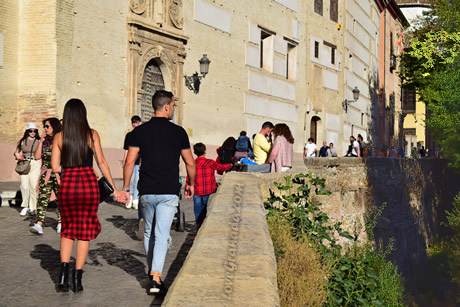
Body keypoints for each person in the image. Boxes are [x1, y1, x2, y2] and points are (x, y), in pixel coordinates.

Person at [122, 90, 196, 294]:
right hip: (168, 190)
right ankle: (155, 278)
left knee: (148, 231)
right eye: (173, 105)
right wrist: (191, 183)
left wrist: (126, 188)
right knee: (162, 233)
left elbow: (129, 161)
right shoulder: (178, 132)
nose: (173, 109)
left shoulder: (139, 132)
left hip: (146, 190)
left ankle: (152, 272)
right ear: (166, 106)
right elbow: (190, 162)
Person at [51, 99, 123, 292]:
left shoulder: (59, 137)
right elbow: (101, 161)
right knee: (84, 232)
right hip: (88, 186)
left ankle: (63, 276)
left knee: (67, 230)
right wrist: (115, 189)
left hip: (68, 185)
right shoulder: (91, 135)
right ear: (83, 114)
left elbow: (55, 167)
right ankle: (77, 279)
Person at [187, 143, 232, 228]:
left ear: (195, 152)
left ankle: (198, 223)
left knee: (197, 207)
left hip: (196, 189)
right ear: (205, 151)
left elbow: (189, 176)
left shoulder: (192, 163)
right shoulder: (210, 162)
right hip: (207, 189)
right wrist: (231, 164)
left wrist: (187, 186)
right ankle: (203, 223)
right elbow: (221, 167)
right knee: (204, 206)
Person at [30, 118, 62, 235]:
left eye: (47, 126)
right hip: (46, 174)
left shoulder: (61, 139)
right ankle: (39, 224)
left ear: (54, 126)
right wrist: (42, 141)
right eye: (44, 126)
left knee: (61, 200)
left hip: (59, 174)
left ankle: (61, 223)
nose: (45, 129)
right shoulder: (45, 141)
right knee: (42, 199)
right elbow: (37, 156)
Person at [14, 123, 41, 216]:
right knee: (24, 186)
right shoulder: (22, 141)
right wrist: (17, 155)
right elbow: (16, 151)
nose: (32, 132)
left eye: (34, 131)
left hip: (36, 163)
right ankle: (25, 206)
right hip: (25, 164)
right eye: (30, 130)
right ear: (27, 131)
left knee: (33, 186)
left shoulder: (39, 141)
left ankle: (33, 208)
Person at [123, 116, 142, 211]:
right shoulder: (129, 135)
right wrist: (124, 161)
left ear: (140, 122)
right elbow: (126, 149)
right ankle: (129, 199)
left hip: (138, 162)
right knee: (130, 181)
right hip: (130, 162)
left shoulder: (143, 134)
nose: (135, 124)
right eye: (133, 123)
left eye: (137, 122)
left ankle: (135, 199)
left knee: (137, 181)